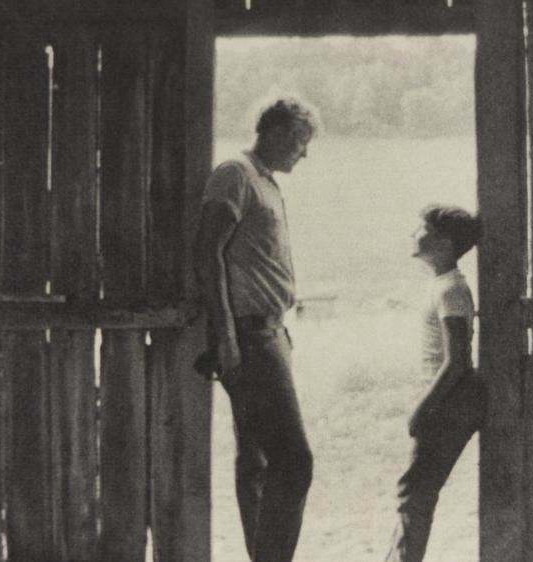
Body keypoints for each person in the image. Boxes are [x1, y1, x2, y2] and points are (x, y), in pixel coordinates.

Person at [194, 98, 318, 562]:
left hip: (270, 333)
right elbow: (207, 253)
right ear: (278, 132)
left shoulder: (264, 181)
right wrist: (226, 337)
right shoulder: (236, 174)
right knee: (295, 462)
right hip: (249, 337)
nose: (304, 153)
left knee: (258, 461)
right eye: (301, 142)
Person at [385, 204, 487, 562]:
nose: (413, 234)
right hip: (449, 398)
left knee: (415, 493)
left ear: (442, 243)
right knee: (414, 491)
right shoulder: (443, 284)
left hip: (450, 401)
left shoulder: (450, 289)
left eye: (421, 229)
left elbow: (456, 362)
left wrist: (423, 409)